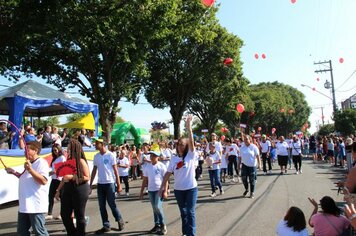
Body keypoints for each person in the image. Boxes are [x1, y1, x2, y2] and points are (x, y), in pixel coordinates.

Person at [160, 115, 198, 236]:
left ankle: (191, 234)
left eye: (182, 144)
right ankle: (185, 233)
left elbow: (191, 141)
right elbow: (167, 173)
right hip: (179, 190)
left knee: (190, 212)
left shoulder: (191, 155)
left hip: (191, 189)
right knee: (183, 212)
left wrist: (189, 127)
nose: (179, 146)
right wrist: (163, 187)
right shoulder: (174, 158)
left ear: (186, 146)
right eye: (178, 144)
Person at [6, 141, 50, 235]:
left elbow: (43, 181)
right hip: (25, 205)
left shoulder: (41, 162)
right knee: (22, 232)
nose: (25, 151)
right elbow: (26, 178)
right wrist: (13, 172)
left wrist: (30, 170)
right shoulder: (29, 163)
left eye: (28, 149)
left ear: (36, 150)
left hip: (35, 206)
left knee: (39, 231)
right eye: (25, 149)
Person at [55, 139, 90, 236]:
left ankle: (80, 233)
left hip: (80, 190)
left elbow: (87, 177)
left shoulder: (81, 161)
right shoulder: (68, 161)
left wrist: (72, 177)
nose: (67, 151)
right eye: (67, 149)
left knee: (79, 215)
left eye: (69, 149)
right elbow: (63, 178)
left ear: (75, 150)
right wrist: (58, 190)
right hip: (67, 189)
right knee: (64, 215)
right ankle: (72, 233)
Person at [89, 138, 125, 234]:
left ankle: (119, 219)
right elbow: (94, 170)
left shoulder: (110, 155)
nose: (95, 145)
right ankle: (106, 225)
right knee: (102, 206)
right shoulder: (96, 156)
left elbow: (115, 170)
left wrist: (119, 184)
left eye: (97, 143)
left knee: (112, 204)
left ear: (102, 144)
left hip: (110, 183)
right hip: (100, 184)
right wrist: (90, 184)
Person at [139, 150, 168, 235]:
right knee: (154, 208)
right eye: (151, 155)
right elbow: (145, 180)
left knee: (157, 207)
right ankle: (157, 225)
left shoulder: (161, 166)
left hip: (160, 189)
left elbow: (166, 179)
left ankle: (163, 225)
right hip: (151, 190)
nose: (151, 157)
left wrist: (165, 190)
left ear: (157, 157)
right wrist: (141, 191)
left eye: (153, 155)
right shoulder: (148, 167)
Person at [46, 144, 66, 220]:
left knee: (61, 197)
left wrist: (54, 171)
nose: (54, 152)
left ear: (59, 150)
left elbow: (63, 168)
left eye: (56, 150)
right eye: (53, 150)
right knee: (50, 195)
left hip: (59, 179)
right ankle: (49, 213)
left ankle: (62, 214)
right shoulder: (55, 158)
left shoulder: (62, 158)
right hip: (54, 179)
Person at [240, 134, 261, 199]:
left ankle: (252, 193)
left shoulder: (254, 147)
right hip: (244, 165)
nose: (245, 140)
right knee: (244, 179)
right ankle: (246, 189)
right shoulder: (242, 147)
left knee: (252, 180)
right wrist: (238, 165)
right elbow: (239, 157)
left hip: (252, 166)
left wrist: (260, 165)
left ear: (250, 140)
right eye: (244, 139)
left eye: (247, 139)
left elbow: (258, 156)